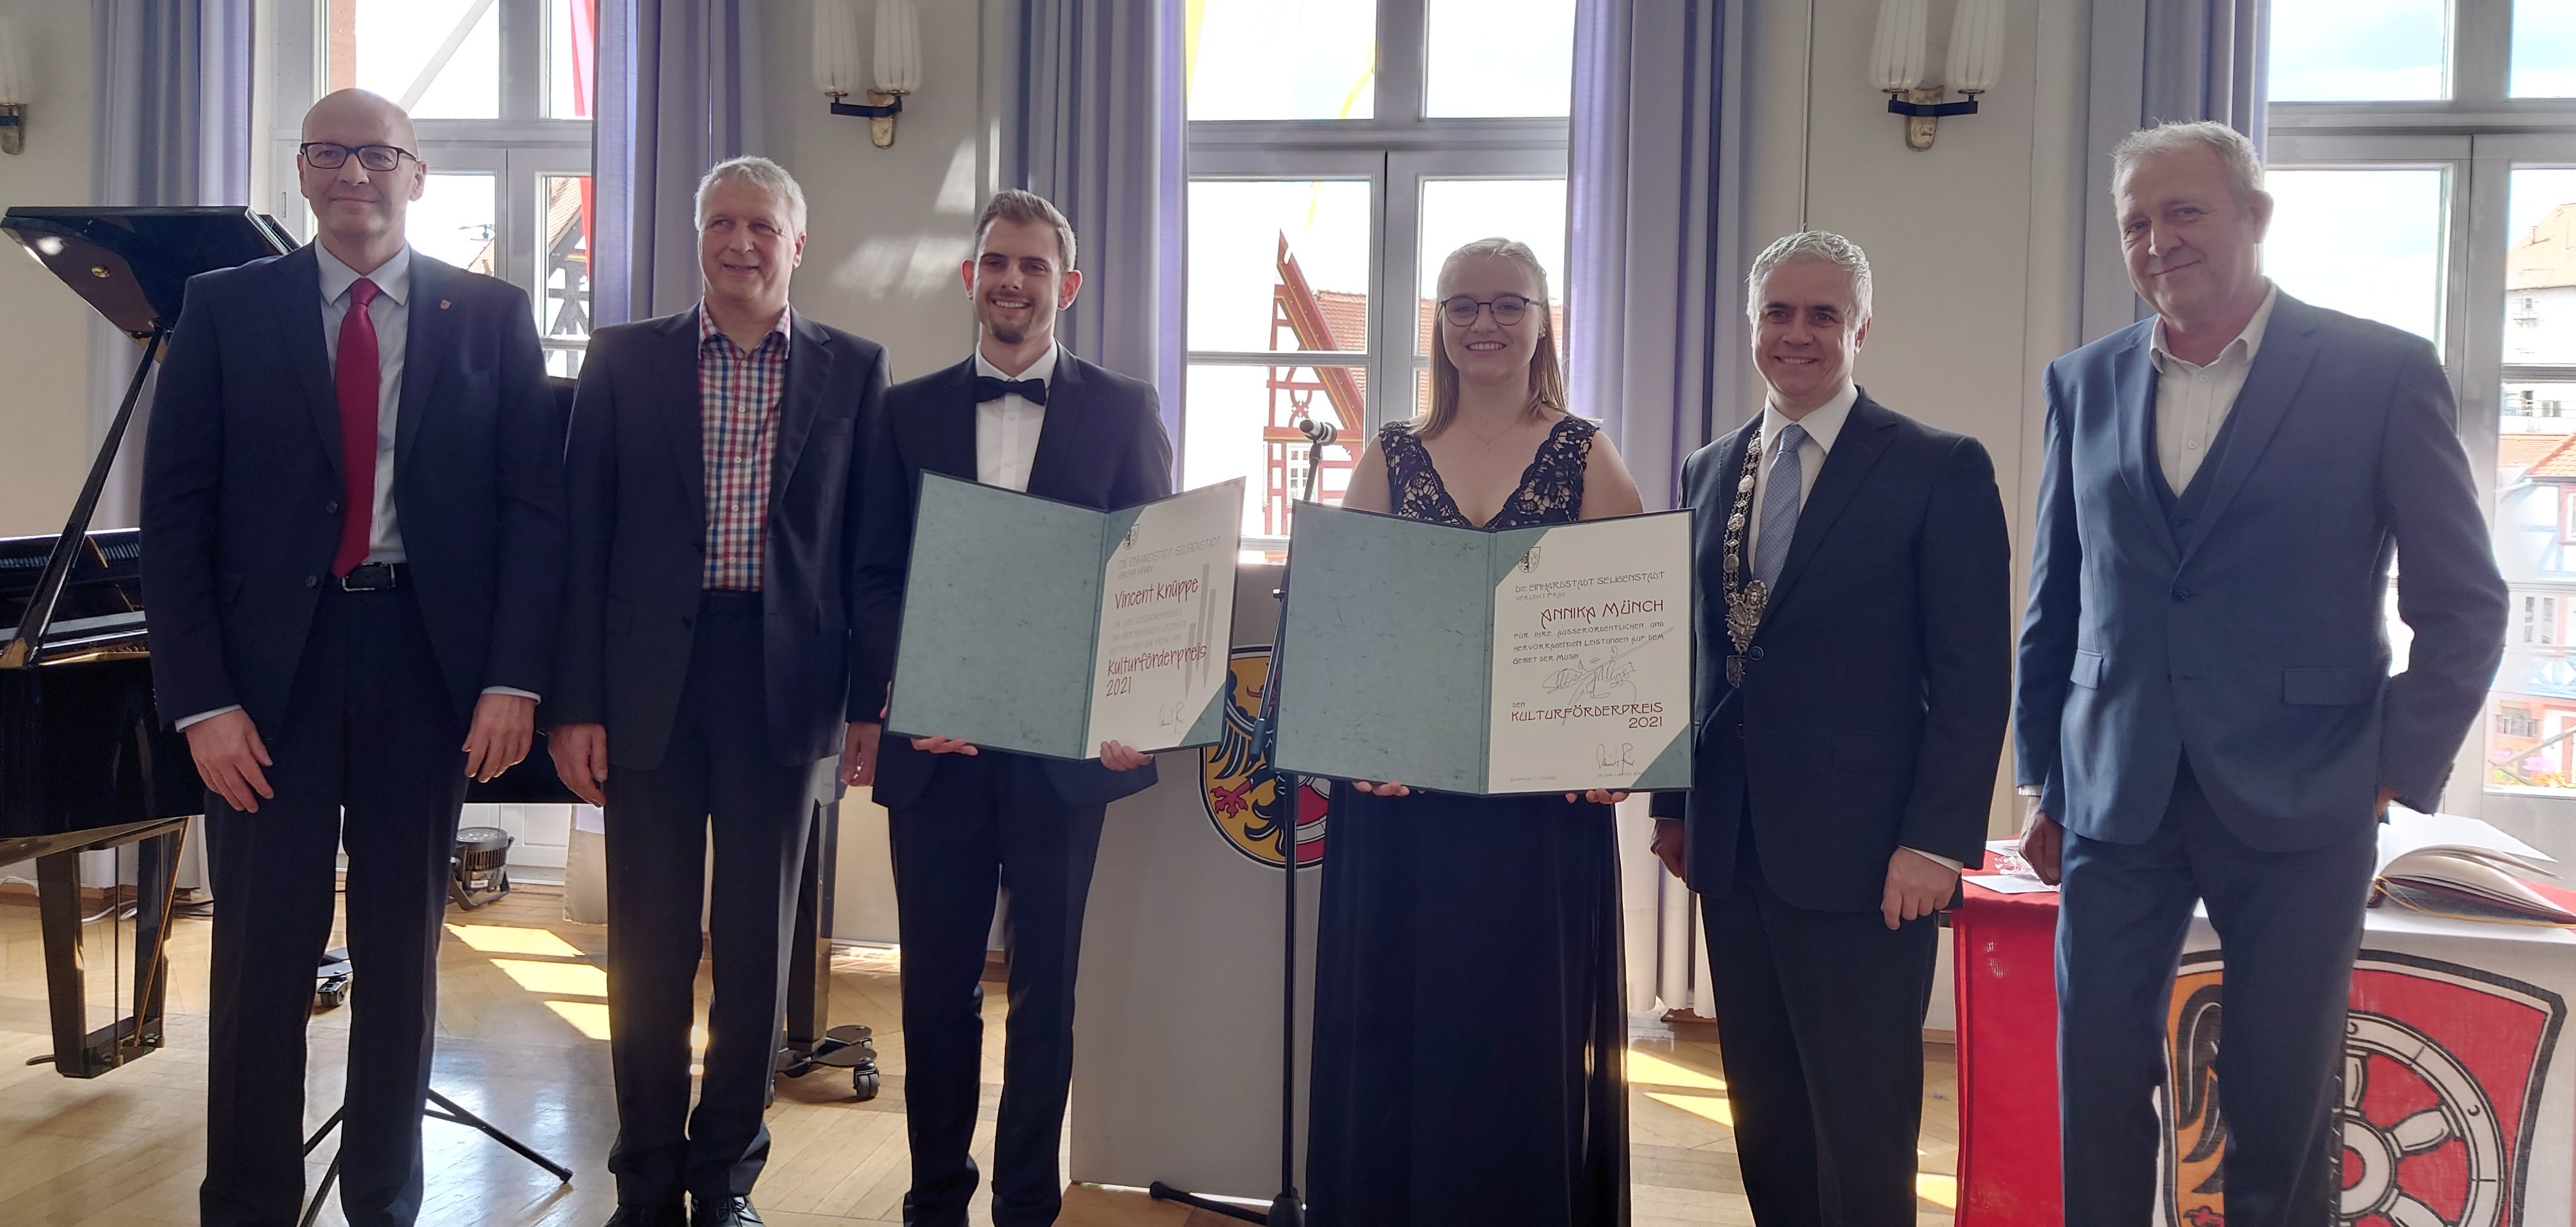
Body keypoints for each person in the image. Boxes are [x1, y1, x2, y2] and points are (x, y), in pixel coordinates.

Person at [2014, 121, 2506, 1227]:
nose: (2157, 241)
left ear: (2255, 217)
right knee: (2093, 1082)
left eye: (2184, 212)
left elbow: (2465, 605)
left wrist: (2389, 768)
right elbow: (2058, 599)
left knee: (2281, 1103)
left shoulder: (2381, 372)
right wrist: (2043, 778)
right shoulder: (2082, 382)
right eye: (2136, 222)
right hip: (2114, 797)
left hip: (2306, 798)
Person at [141, 88, 564, 1226]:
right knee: (259, 964)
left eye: (378, 154)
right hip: (265, 679)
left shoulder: (492, 315)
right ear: (302, 172)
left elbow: (534, 512)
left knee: (402, 960)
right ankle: (247, 1206)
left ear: (417, 175)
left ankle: (386, 1203)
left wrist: (513, 677)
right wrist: (200, 701)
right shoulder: (223, 309)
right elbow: (173, 521)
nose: (354, 174)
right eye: (330, 153)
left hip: (423, 667)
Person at [548, 156, 890, 1227]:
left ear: (799, 244)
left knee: (757, 950)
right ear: (699, 236)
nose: (741, 244)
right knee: (646, 948)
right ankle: (645, 1174)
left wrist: (871, 701)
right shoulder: (624, 359)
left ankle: (726, 1174)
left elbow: (871, 550)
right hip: (647, 681)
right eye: (722, 224)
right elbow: (581, 537)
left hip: (783, 682)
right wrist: (572, 703)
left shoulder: (854, 368)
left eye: (762, 227)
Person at [1648, 231, 2010, 1227]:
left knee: (1862, 1115)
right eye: (1777, 312)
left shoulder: (1937, 467)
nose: (1796, 334)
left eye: (1821, 315)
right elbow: (1699, 653)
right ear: (1752, 324)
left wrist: (1937, 840)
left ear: (1860, 329)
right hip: (1733, 845)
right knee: (1764, 1110)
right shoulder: (1710, 466)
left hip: (1873, 857)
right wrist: (1674, 809)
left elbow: (1974, 675)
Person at [1303, 236, 1644, 1226]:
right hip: (1401, 811)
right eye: (1461, 306)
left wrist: (1615, 755)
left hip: (1533, 822)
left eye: (1507, 304)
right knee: (1398, 1035)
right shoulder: (1390, 452)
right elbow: (1342, 626)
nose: (1483, 324)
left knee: (1519, 1040)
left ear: (1543, 320)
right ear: (1437, 323)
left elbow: (1630, 635)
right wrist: (1364, 744)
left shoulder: (1587, 451)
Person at [845, 189, 1170, 1227]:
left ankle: (1028, 1203)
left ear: (1065, 285)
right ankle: (935, 1200)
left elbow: (1154, 575)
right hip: (936, 751)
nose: (1013, 281)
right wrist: (916, 688)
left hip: (1065, 760)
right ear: (970, 278)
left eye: (1033, 266)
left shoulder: (1125, 408)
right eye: (996, 263)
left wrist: (1142, 710)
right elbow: (873, 575)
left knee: (1044, 999)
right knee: (935, 997)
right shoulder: (904, 409)